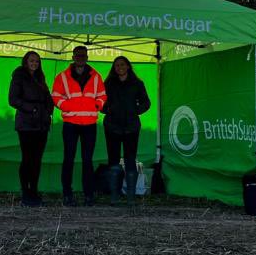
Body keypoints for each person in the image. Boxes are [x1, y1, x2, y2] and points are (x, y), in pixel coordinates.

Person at [52, 45, 105, 206]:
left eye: (83, 55)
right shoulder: (62, 77)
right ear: (73, 57)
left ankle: (89, 195)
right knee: (68, 159)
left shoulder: (96, 76)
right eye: (78, 55)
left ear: (87, 57)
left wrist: (97, 106)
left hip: (89, 124)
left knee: (87, 161)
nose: (80, 57)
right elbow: (55, 95)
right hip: (70, 124)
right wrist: (66, 107)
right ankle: (67, 194)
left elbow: (102, 95)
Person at [102, 56, 151, 206]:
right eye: (116, 65)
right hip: (112, 127)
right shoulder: (108, 84)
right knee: (113, 161)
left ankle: (131, 198)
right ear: (114, 68)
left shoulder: (137, 84)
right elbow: (100, 102)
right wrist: (108, 110)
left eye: (122, 65)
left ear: (128, 66)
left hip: (131, 127)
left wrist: (134, 111)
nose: (119, 67)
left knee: (130, 160)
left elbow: (146, 103)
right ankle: (114, 197)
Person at [8, 51, 53, 206]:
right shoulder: (19, 75)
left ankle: (34, 191)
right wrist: (32, 109)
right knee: (27, 158)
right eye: (32, 61)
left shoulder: (40, 77)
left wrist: (48, 111)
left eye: (37, 61)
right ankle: (25, 192)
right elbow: (13, 99)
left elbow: (47, 97)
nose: (35, 63)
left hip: (42, 124)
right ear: (26, 61)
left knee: (37, 160)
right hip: (26, 124)